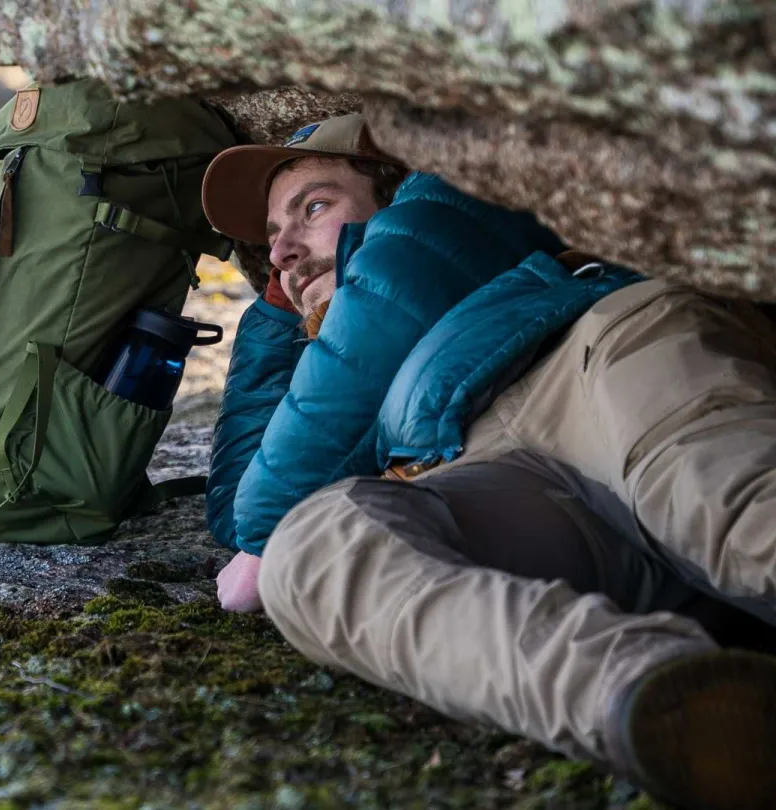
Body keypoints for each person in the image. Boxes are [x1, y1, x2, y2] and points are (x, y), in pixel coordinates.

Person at [201, 113, 776, 810]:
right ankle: (669, 701)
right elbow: (239, 507)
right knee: (312, 550)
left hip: (589, 363)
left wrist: (260, 530)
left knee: (727, 510)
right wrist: (281, 289)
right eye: (270, 238)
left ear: (394, 189)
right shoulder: (326, 328)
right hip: (481, 466)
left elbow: (391, 294)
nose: (284, 248)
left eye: (313, 206)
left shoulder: (443, 203)